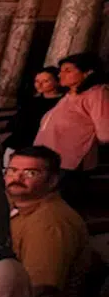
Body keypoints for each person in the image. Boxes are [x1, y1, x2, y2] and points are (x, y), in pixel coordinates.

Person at [5, 145, 90, 297]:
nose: (17, 177)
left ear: (52, 181)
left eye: (30, 173)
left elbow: (39, 288)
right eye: (12, 171)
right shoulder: (22, 207)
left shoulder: (49, 222)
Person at [35, 54, 109, 203]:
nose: (60, 74)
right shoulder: (71, 94)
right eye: (61, 70)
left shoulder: (97, 93)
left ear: (88, 72)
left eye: (68, 70)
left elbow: (105, 133)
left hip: (69, 163)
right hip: (49, 159)